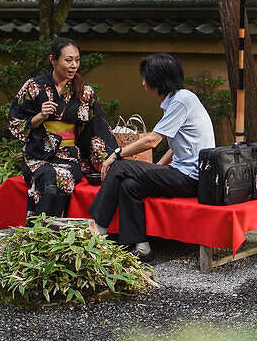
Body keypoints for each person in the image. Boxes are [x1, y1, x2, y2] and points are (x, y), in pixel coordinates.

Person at [88, 53, 215, 261]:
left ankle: (98, 229)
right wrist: (155, 169)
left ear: (160, 80)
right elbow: (175, 147)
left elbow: (152, 140)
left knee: (120, 167)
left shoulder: (181, 101)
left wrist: (115, 154)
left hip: (192, 178)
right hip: (183, 174)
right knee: (130, 185)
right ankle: (142, 247)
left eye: (147, 78)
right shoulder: (179, 99)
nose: (143, 82)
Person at [8, 37, 117, 218]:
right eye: (68, 60)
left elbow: (97, 128)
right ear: (53, 60)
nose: (74, 65)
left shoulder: (84, 92)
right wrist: (40, 116)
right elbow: (15, 123)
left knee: (63, 177)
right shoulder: (34, 87)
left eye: (77, 60)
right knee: (47, 175)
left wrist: (109, 158)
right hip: (37, 155)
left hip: (69, 157)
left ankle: (47, 230)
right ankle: (42, 231)